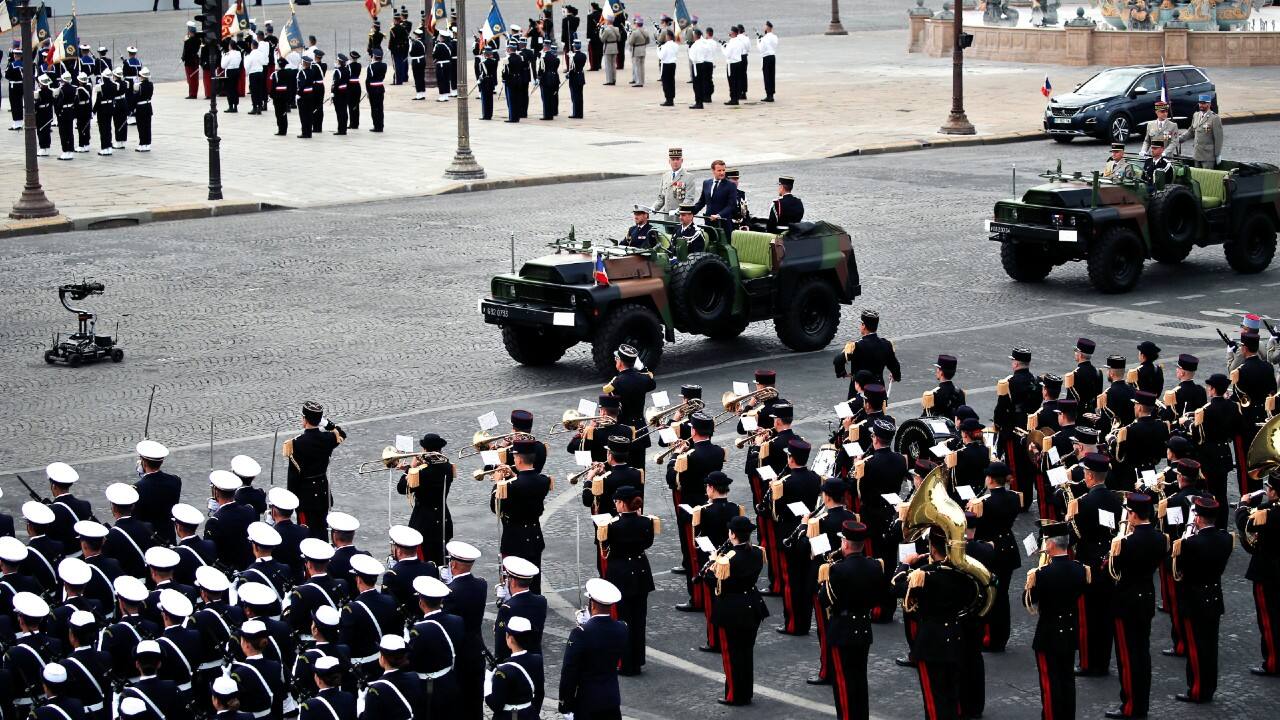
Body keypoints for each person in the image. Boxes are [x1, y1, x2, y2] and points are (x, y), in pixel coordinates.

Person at [1024, 522, 1089, 720]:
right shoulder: (1080, 569)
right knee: (1067, 679)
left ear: (1050, 545)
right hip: (1069, 630)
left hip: (1048, 633)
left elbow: (1028, 601)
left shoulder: (1041, 574)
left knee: (1050, 683)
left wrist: (1039, 570)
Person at [704, 515, 768, 706]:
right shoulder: (757, 552)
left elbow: (714, 584)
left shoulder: (726, 561)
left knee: (732, 654)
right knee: (746, 652)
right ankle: (746, 692)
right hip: (752, 605)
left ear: (732, 534)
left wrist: (713, 563)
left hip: (732, 610)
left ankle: (734, 694)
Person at [1173, 496, 1232, 704]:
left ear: (1197, 518)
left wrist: (1186, 538)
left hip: (1194, 599)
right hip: (1214, 596)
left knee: (1196, 647)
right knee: (1210, 645)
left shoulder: (1191, 544)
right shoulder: (1225, 539)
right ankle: (1209, 686)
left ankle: (1197, 689)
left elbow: (1179, 571)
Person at [601, 486, 657, 675]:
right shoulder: (647, 523)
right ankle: (637, 659)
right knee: (639, 619)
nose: (615, 505)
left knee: (622, 620)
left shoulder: (612, 526)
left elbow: (605, 547)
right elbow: (648, 543)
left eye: (617, 502)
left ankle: (625, 662)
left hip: (621, 574)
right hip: (641, 571)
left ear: (623, 504)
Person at [558, 578, 626, 716]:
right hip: (611, 699)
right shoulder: (622, 628)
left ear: (592, 604)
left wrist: (565, 703)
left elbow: (569, 671)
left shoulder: (580, 634)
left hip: (587, 702)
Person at [491, 440, 552, 593]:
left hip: (514, 539)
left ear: (518, 459)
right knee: (533, 581)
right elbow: (527, 483)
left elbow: (495, 508)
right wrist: (513, 475)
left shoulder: (511, 486)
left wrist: (498, 483)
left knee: (514, 584)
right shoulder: (544, 480)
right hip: (534, 536)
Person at [1237, 472, 1280, 677]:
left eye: (1269, 488)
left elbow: (1245, 523)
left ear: (1273, 491)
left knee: (1268, 620)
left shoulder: (1268, 512)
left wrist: (1242, 505)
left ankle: (1272, 662)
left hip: (1268, 572)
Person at [286, 401, 347, 539]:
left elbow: (293, 477)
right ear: (319, 420)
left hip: (305, 497)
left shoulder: (296, 444)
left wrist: (291, 502)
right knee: (322, 531)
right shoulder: (328, 438)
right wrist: (327, 424)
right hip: (322, 492)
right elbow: (341, 433)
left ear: (304, 419)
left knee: (306, 533)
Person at [441, 541, 487, 720]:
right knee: (475, 698)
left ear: (452, 564)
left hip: (458, 653)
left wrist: (444, 586)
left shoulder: (450, 592)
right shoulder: (481, 585)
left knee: (459, 702)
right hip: (477, 648)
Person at [833, 310, 902, 396]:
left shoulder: (856, 347)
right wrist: (896, 375)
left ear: (863, 326)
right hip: (878, 391)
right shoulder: (886, 345)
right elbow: (895, 366)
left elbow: (838, 360)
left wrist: (843, 373)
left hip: (859, 392)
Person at [488, 616, 544, 719]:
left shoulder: (503, 670)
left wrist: (486, 684)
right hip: (530, 713)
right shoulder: (537, 660)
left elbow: (496, 705)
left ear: (510, 638)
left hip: (511, 715)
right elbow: (539, 693)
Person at [493, 555, 546, 661]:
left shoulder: (507, 608)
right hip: (534, 659)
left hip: (513, 663)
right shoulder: (541, 601)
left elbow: (501, 644)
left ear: (512, 581)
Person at [690, 160, 736, 236]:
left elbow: (731, 205)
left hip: (723, 224)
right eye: (719, 170)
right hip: (709, 223)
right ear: (713, 171)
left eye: (723, 170)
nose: (722, 173)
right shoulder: (706, 183)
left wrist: (719, 215)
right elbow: (702, 202)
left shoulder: (731, 185)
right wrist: (690, 213)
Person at [1178, 93, 1223, 168]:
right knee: (1197, 177)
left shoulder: (1215, 118)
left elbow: (1218, 138)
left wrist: (1217, 154)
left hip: (1208, 156)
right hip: (1197, 154)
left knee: (1206, 177)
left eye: (1203, 103)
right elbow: (1191, 131)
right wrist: (1180, 139)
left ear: (1209, 104)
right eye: (1200, 103)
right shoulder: (1196, 115)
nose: (1201, 105)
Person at [365, 49, 387, 132]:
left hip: (373, 89)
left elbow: (368, 80)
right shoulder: (384, 65)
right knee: (380, 108)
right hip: (380, 88)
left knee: (374, 108)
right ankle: (381, 126)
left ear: (374, 57)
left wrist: (368, 91)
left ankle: (376, 126)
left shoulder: (371, 66)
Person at [133, 68, 154, 152]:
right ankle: (147, 144)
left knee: (141, 127)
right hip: (148, 106)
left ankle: (142, 144)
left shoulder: (138, 86)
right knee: (147, 126)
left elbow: (135, 98)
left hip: (141, 107)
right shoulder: (151, 84)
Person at [656, 30, 678, 106]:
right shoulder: (675, 45)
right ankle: (671, 98)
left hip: (666, 64)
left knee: (666, 83)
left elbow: (661, 56)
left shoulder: (665, 46)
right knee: (671, 82)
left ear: (668, 36)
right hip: (673, 64)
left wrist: (658, 49)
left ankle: (668, 99)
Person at [758, 21, 778, 102]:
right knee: (772, 75)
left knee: (767, 76)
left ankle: (768, 95)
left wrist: (758, 40)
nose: (764, 27)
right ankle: (771, 94)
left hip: (766, 57)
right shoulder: (775, 37)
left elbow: (761, 49)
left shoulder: (765, 38)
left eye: (765, 26)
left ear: (767, 28)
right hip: (773, 56)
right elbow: (775, 45)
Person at [221, 40, 242, 113]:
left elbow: (223, 65)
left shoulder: (228, 54)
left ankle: (230, 106)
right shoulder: (238, 53)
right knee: (235, 89)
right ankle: (235, 106)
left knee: (229, 90)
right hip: (236, 71)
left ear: (230, 46)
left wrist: (223, 56)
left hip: (230, 72)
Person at [539, 44, 559, 120]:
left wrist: (539, 77)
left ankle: (547, 115)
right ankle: (551, 114)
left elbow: (541, 69)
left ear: (545, 48)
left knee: (546, 98)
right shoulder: (554, 57)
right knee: (551, 97)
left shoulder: (543, 57)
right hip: (553, 78)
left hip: (545, 78)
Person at [627, 18, 649, 86]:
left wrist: (629, 37)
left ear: (637, 24)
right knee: (642, 67)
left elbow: (630, 42)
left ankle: (639, 82)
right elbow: (648, 41)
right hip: (643, 49)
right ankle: (642, 80)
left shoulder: (635, 32)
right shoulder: (645, 31)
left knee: (637, 67)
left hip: (636, 50)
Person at [599, 17, 621, 85]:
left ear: (608, 21)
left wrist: (600, 33)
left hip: (608, 47)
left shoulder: (606, 30)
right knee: (613, 64)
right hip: (614, 46)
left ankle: (609, 80)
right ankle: (614, 79)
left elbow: (602, 39)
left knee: (608, 65)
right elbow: (619, 38)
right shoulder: (616, 29)